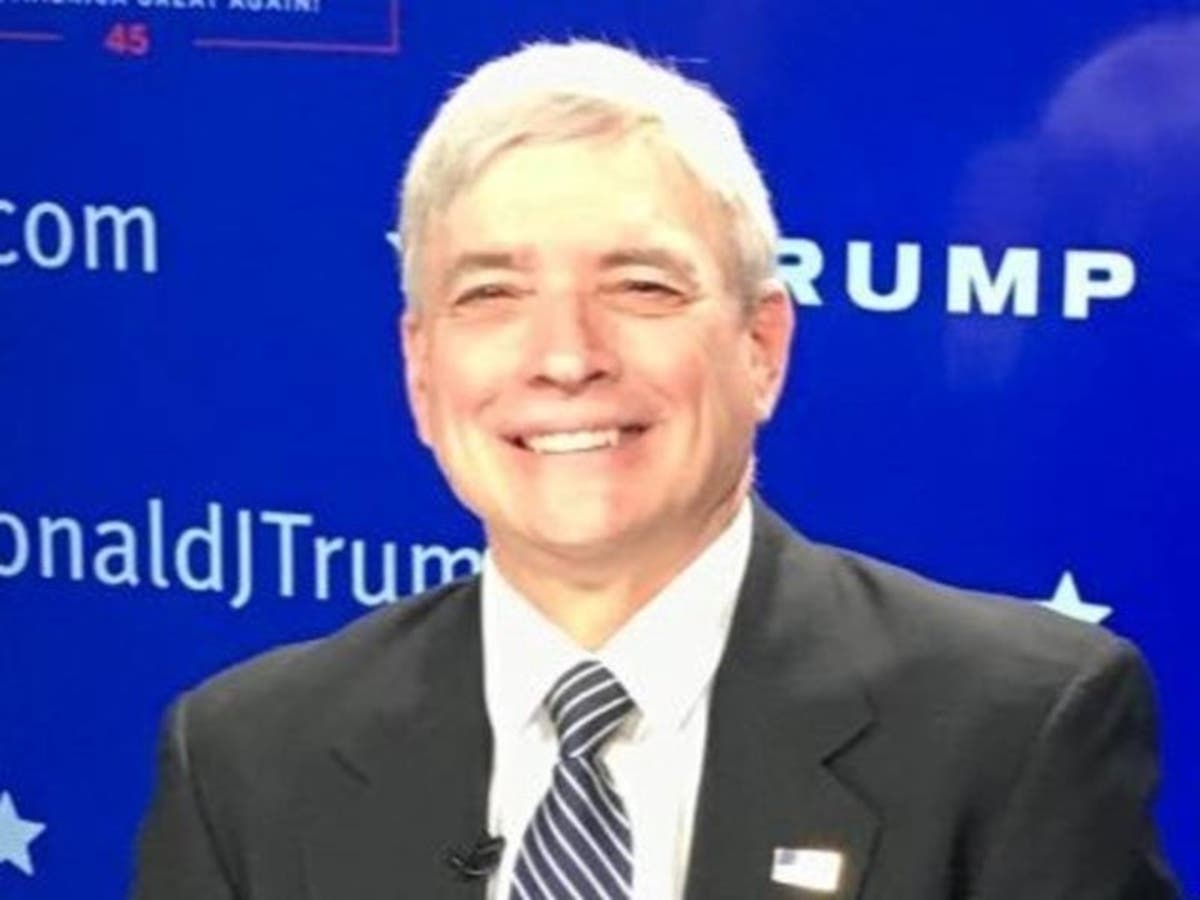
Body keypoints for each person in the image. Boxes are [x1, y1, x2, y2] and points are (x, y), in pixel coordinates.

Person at [131, 40, 1179, 899]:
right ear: (421, 370)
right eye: (491, 295)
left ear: (761, 347)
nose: (566, 357)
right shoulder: (244, 760)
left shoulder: (1014, 733)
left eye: (641, 287)